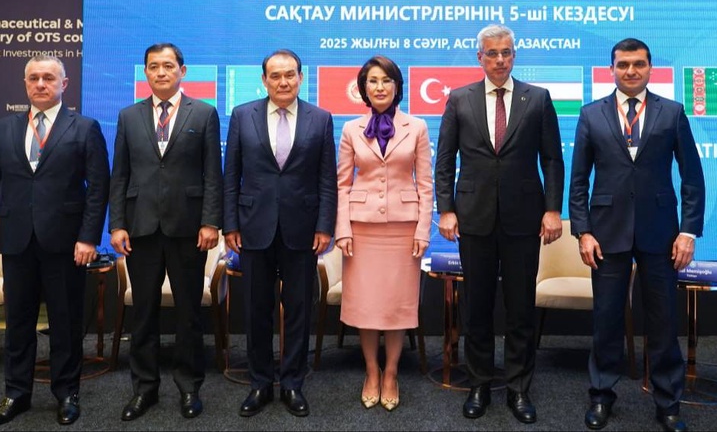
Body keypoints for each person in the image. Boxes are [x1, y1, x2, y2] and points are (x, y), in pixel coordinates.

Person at [569, 38, 705, 432]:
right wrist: (583, 232)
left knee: (663, 321)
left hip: (660, 233)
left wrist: (688, 231)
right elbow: (578, 181)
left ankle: (668, 403)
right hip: (606, 234)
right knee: (606, 320)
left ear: (650, 68)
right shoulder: (591, 114)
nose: (631, 71)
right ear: (611, 69)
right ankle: (601, 396)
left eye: (639, 64)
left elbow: (692, 178)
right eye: (623, 64)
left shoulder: (672, 112)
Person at [434, 24, 564, 424]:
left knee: (520, 307)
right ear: (480, 58)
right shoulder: (460, 99)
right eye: (492, 53)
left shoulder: (537, 98)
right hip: (473, 218)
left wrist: (553, 209)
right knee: (477, 307)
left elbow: (552, 159)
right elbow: (445, 160)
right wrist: (446, 209)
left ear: (514, 55)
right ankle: (479, 384)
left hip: (524, 218)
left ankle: (518, 388)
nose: (500, 60)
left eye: (506, 52)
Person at [0, 55, 110, 427]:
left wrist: (88, 238)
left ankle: (67, 394)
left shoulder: (84, 128)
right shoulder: (4, 128)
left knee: (65, 323)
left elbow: (98, 189)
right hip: (17, 241)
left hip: (66, 244)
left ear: (64, 84)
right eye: (33, 78)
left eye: (49, 77)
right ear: (25, 83)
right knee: (18, 324)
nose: (40, 84)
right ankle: (16, 394)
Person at [108, 42, 223, 421]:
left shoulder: (203, 113)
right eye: (154, 66)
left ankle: (189, 387)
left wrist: (211, 222)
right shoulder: (128, 116)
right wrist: (117, 224)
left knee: (189, 313)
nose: (161, 72)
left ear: (182, 71)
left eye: (168, 66)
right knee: (143, 313)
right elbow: (119, 174)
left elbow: (213, 173)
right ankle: (145, 389)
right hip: (140, 228)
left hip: (188, 228)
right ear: (146, 72)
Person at [223, 49, 338, 418]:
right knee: (257, 310)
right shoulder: (243, 115)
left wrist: (325, 226)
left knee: (299, 310)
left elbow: (327, 179)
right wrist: (230, 224)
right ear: (264, 80)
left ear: (301, 78)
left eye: (290, 74)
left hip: (302, 229)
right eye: (275, 75)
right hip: (253, 228)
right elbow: (231, 175)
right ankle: (259, 383)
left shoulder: (321, 118)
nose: (283, 81)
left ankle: (292, 383)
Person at [335, 56, 433, 412]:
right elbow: (342, 184)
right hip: (361, 230)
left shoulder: (417, 127)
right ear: (363, 88)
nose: (380, 87)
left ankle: (391, 373)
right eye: (373, 81)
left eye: (386, 80)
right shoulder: (351, 129)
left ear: (397, 86)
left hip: (403, 229)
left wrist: (423, 229)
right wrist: (342, 229)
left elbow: (425, 183)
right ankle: (371, 371)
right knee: (367, 304)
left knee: (395, 304)